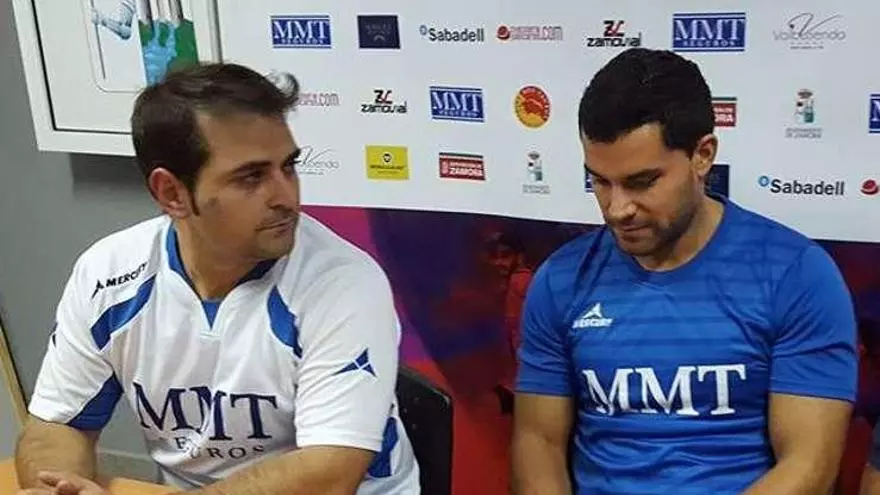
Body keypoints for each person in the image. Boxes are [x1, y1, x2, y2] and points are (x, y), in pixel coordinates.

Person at [14, 62, 419, 494]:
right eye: (251, 177)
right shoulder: (108, 275)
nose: (286, 196)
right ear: (172, 193)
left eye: (288, 167)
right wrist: (55, 486)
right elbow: (56, 426)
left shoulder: (344, 282)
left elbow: (328, 475)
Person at [511, 47, 858, 494]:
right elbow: (538, 443)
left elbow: (808, 464)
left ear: (702, 155)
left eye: (641, 182)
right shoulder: (560, 281)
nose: (617, 208)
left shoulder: (797, 276)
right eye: (599, 181)